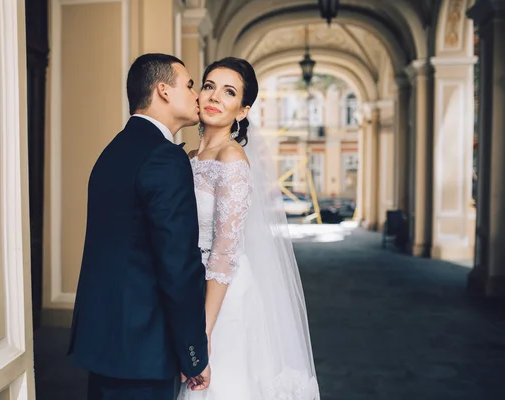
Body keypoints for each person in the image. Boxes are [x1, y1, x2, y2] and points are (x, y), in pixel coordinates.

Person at [68, 53, 211, 400]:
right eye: (190, 85)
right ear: (163, 90)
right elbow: (178, 264)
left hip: (104, 345)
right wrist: (194, 354)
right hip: (144, 350)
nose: (197, 96)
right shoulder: (165, 156)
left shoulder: (112, 152)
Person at [179, 57, 320, 399]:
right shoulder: (188, 158)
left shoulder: (232, 160)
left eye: (228, 92)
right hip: (190, 284)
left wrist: (203, 330)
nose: (214, 97)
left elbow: (226, 253)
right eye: (209, 86)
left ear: (241, 111)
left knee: (223, 384)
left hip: (223, 296)